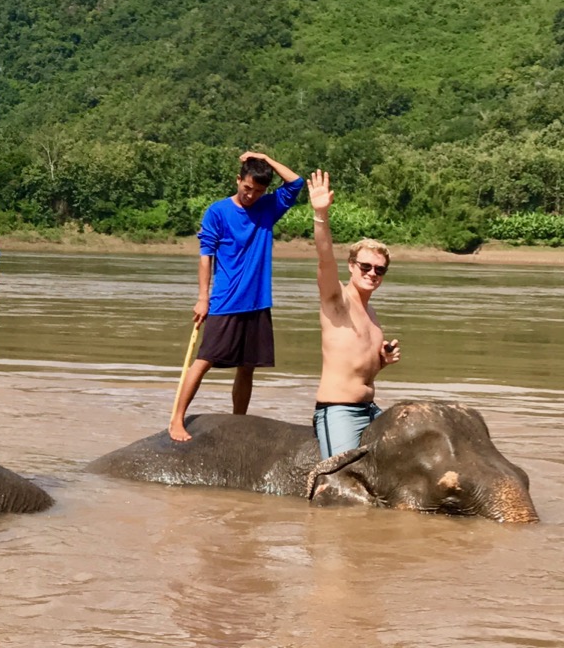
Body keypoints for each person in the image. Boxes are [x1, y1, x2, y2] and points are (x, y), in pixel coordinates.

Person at [168, 151, 305, 442]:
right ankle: (177, 419)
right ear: (238, 180)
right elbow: (206, 256)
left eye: (257, 190)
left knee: (247, 368)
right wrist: (203, 298)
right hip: (226, 300)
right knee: (204, 360)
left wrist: (265, 157)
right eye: (247, 188)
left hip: (257, 302)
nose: (251, 195)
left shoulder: (269, 207)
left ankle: (238, 422)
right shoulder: (217, 212)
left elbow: (296, 183)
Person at [309, 169, 401, 459]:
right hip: (338, 410)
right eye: (365, 267)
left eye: (379, 269)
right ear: (351, 266)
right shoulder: (336, 299)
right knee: (342, 475)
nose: (372, 273)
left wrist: (382, 363)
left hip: (370, 409)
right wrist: (320, 215)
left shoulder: (372, 316)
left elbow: (362, 372)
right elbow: (325, 258)